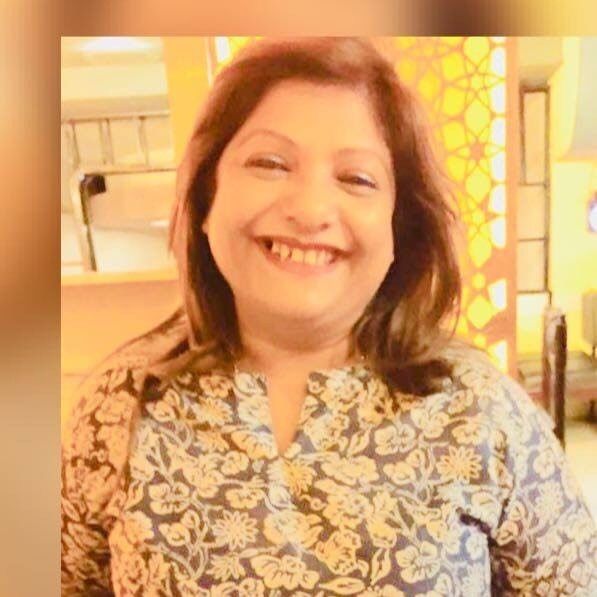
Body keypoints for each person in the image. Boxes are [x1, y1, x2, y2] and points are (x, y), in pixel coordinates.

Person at [61, 37, 597, 596]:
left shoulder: (481, 410)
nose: (310, 210)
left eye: (357, 179)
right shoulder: (121, 402)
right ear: (205, 198)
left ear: (398, 225)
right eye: (270, 164)